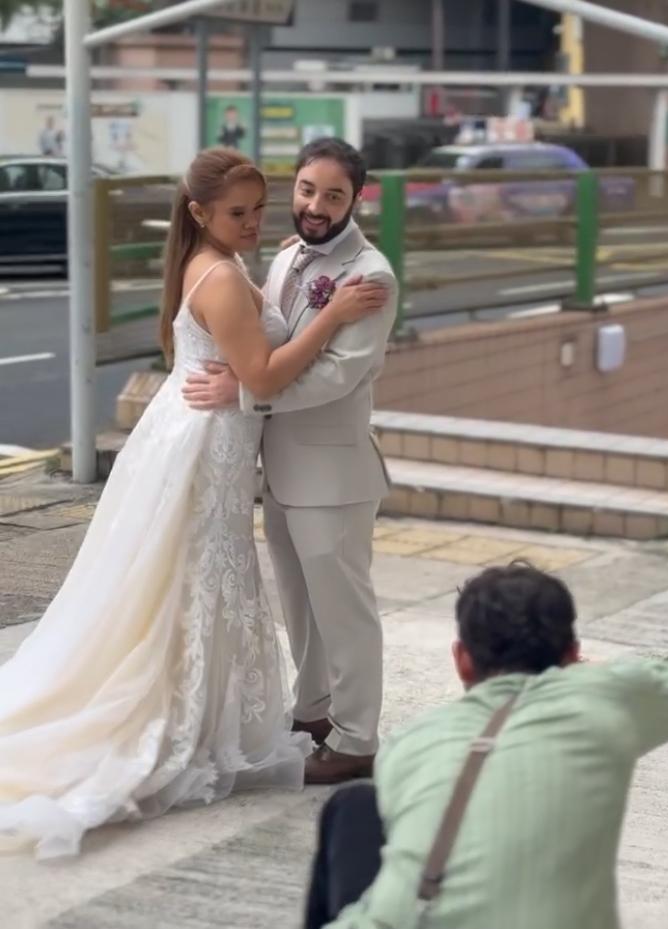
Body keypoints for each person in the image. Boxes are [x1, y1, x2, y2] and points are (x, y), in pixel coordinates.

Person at [0, 147, 387, 860]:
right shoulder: (233, 272)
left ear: (356, 199)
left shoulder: (322, 269)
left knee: (224, 583)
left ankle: (345, 732)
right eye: (241, 211)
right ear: (200, 213)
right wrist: (326, 319)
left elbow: (315, 376)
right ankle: (225, 712)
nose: (259, 220)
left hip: (245, 446)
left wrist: (264, 371)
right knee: (196, 579)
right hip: (209, 444)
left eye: (260, 208)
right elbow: (261, 371)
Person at [304, 563, 668, 929]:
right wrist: (592, 673)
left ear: (462, 659)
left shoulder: (408, 743)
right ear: (572, 653)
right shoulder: (603, 701)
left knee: (354, 806)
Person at [182, 139, 399, 785]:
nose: (316, 205)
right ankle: (312, 712)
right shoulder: (284, 257)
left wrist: (245, 392)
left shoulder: (372, 275)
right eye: (307, 189)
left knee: (345, 613)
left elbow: (338, 374)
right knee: (302, 608)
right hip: (278, 468)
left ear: (356, 199)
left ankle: (356, 738)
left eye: (333, 194)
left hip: (333, 475)